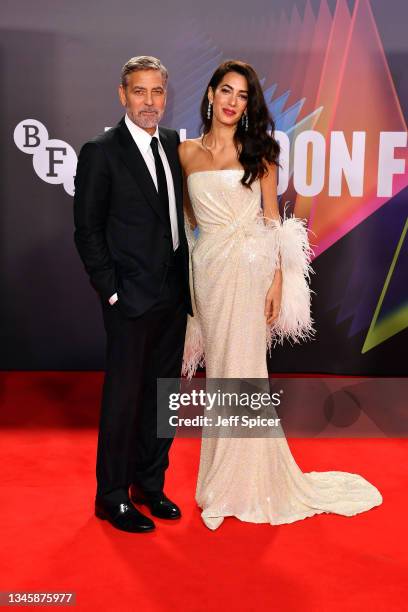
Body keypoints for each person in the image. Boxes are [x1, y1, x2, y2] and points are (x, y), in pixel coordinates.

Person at [179, 60, 382, 530]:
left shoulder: (261, 152)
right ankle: (221, 478)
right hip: (209, 274)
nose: (232, 102)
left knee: (243, 371)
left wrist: (276, 282)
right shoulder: (185, 153)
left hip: (250, 273)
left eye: (243, 95)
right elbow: (190, 219)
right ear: (210, 94)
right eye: (225, 91)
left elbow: (273, 223)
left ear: (249, 105)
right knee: (220, 375)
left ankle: (239, 484)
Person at [74, 56, 192, 533]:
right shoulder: (100, 151)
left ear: (166, 96)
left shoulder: (171, 142)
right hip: (129, 298)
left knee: (163, 398)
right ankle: (112, 495)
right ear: (122, 94)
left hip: (173, 295)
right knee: (123, 398)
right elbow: (87, 231)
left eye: (157, 92)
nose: (149, 102)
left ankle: (150, 484)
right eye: (139, 92)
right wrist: (111, 292)